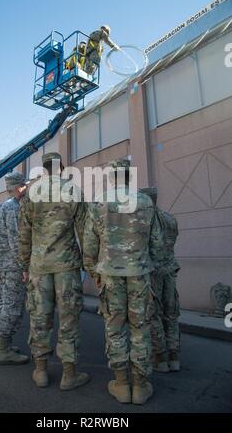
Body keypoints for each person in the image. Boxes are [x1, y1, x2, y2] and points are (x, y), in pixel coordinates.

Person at [83, 159, 162, 405]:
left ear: (111, 177)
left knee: (115, 329)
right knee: (141, 329)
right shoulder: (146, 202)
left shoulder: (98, 203)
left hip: (110, 275)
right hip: (139, 274)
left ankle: (121, 383)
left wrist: (94, 273)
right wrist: (152, 268)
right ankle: (140, 386)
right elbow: (157, 244)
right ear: (129, 176)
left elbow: (89, 245)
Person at [19, 152, 89, 390]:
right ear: (61, 167)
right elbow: (85, 233)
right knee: (68, 319)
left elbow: (24, 234)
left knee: (40, 318)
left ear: (45, 168)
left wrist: (24, 265)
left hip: (39, 266)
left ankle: (40, 371)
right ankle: (69, 374)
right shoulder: (73, 191)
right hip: (67, 266)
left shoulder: (31, 194)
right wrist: (90, 266)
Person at [0, 172, 29, 365]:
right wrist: (24, 266)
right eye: (24, 186)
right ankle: (4, 350)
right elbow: (16, 240)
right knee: (13, 306)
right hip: (11, 264)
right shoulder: (14, 208)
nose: (26, 189)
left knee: (5, 303)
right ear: (19, 187)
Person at [140, 188, 181, 373]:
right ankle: (174, 356)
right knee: (171, 313)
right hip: (170, 270)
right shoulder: (170, 218)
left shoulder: (145, 220)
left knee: (154, 314)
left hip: (153, 272)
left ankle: (160, 357)